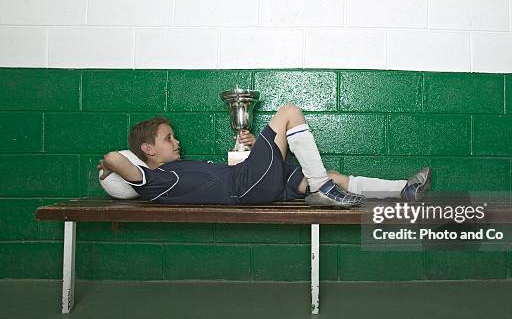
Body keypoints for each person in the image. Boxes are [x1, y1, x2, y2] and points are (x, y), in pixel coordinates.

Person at [97, 104, 431, 208]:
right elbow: (116, 159)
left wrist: (259, 148)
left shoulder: (177, 170)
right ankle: (321, 186)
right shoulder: (157, 181)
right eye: (168, 139)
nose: (177, 141)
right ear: (148, 150)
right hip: (246, 188)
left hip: (253, 181)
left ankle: (404, 189)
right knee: (289, 113)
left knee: (331, 176)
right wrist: (109, 163)